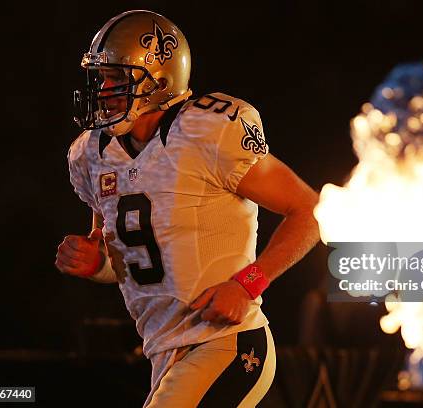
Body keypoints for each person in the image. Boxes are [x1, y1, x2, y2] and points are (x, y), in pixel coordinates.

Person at [55, 10, 320, 408]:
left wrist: (248, 283)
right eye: (101, 78)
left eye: (116, 78)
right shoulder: (92, 154)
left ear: (159, 80)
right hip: (164, 352)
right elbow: (125, 256)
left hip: (226, 343)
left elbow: (310, 211)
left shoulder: (208, 130)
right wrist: (96, 264)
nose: (104, 90)